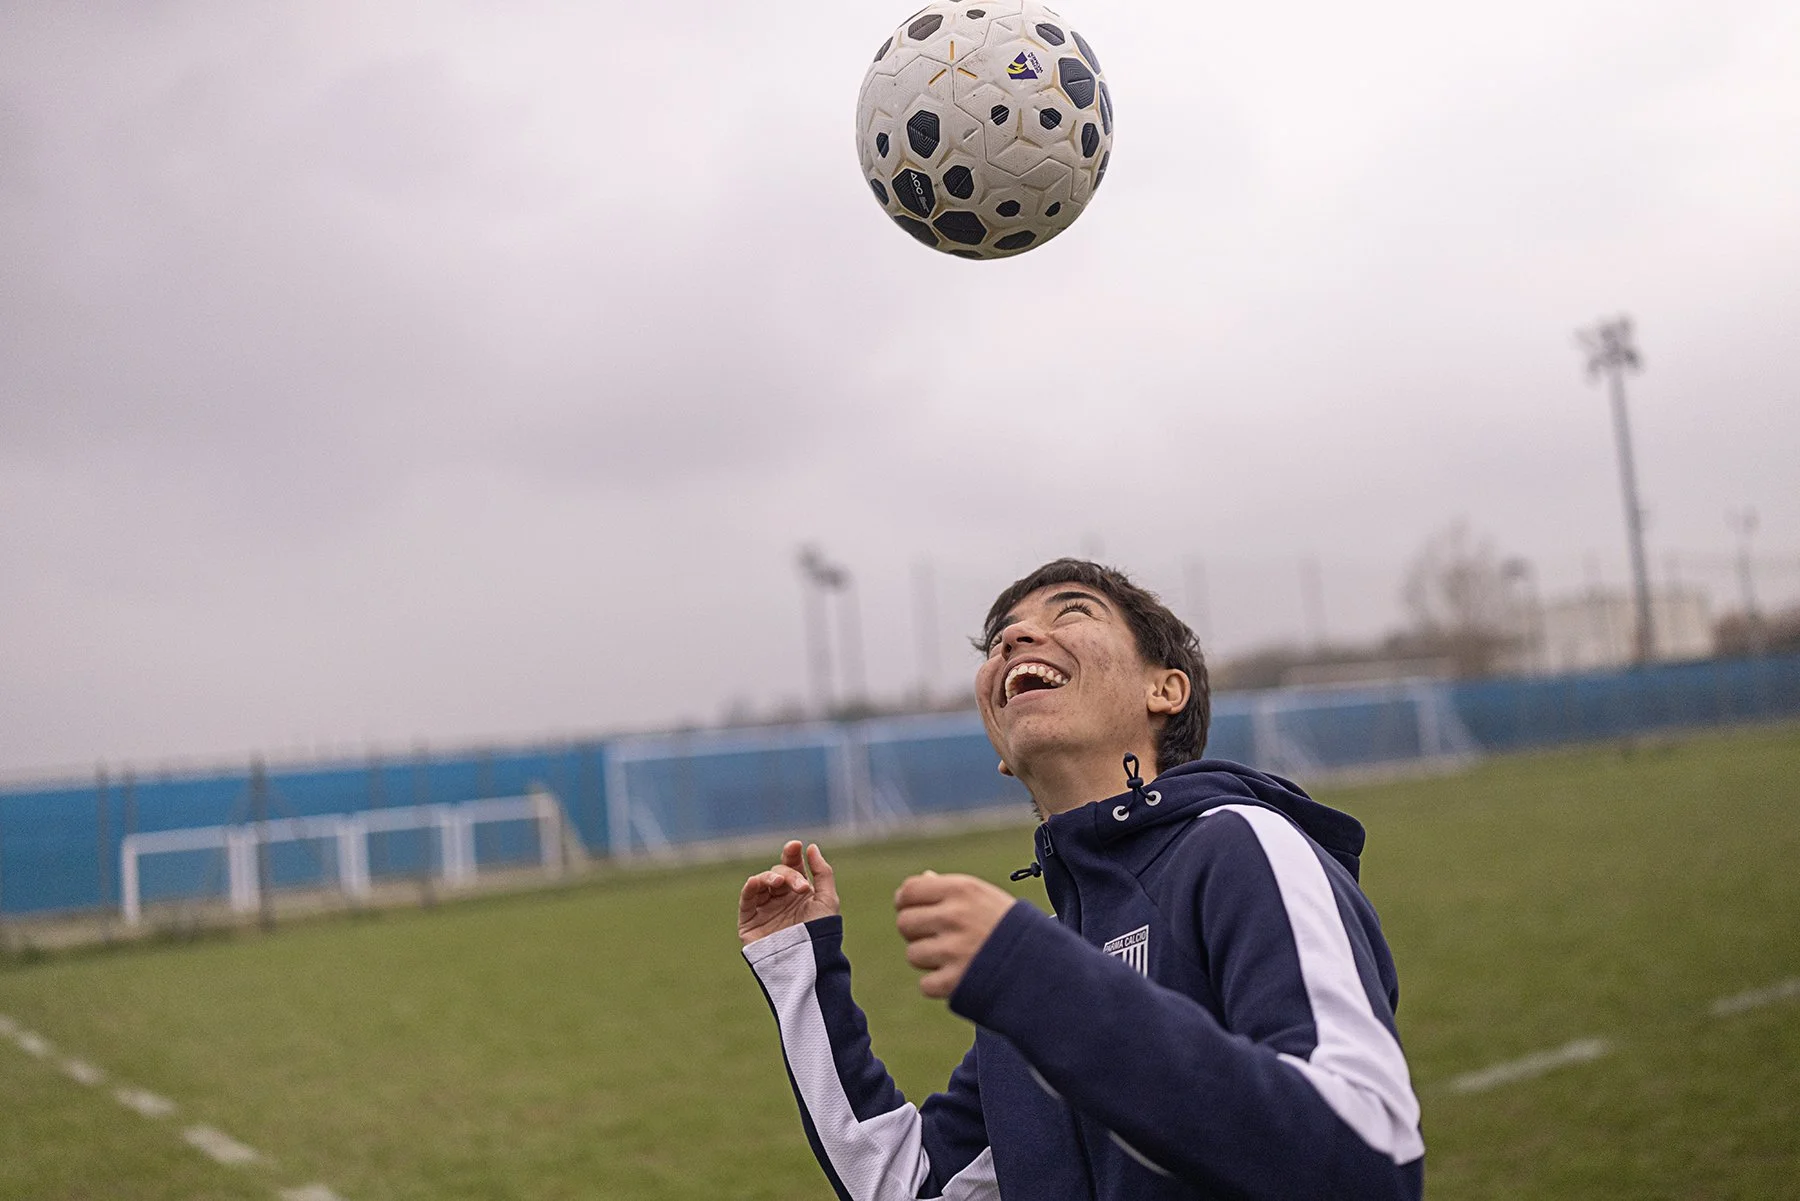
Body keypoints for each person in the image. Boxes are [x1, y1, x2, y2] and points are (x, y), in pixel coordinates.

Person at [737, 559, 1424, 1200]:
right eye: (1000, 640)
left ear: (1165, 689)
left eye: (1072, 612)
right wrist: (800, 967)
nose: (1015, 638)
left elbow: (1367, 1157)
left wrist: (1037, 977)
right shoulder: (1044, 960)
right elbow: (905, 1184)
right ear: (1001, 748)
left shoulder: (1241, 845)